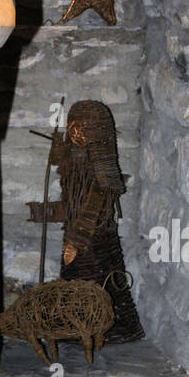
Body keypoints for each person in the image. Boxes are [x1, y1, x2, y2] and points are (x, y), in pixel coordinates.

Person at [47, 99, 143, 344]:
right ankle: (77, 328)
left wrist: (78, 237)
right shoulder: (76, 157)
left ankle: (103, 330)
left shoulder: (101, 166)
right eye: (73, 128)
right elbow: (69, 188)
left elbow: (99, 198)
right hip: (76, 230)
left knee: (97, 280)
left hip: (94, 235)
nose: (76, 134)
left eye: (82, 129)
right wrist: (58, 149)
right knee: (77, 281)